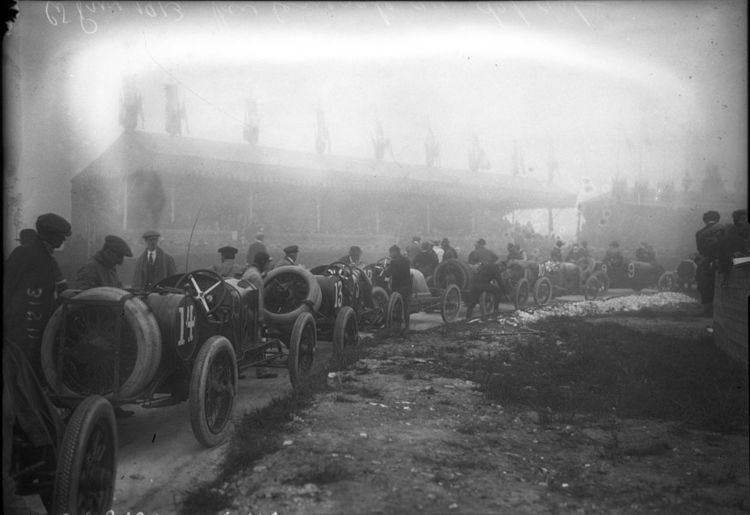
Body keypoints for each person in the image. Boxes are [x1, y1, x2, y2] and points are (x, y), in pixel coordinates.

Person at [3, 213, 71, 377]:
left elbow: (56, 287)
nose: (63, 240)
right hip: (19, 329)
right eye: (61, 236)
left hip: (36, 328)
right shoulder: (24, 253)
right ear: (49, 235)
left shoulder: (47, 258)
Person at [695, 210, 723, 315]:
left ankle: (708, 309)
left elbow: (700, 250)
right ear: (717, 218)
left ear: (705, 220)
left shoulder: (699, 233)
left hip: (706, 262)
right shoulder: (723, 228)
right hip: (720, 260)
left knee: (704, 284)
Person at [465, 254, 504, 320]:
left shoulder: (487, 265)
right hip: (482, 284)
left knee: (472, 302)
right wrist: (504, 291)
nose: (502, 270)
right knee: (498, 291)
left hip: (473, 283)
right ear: (501, 266)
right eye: (503, 269)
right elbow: (500, 282)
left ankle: (468, 317)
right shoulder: (496, 269)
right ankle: (496, 310)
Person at [384, 245, 412, 330]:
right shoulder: (407, 260)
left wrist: (386, 270)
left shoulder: (394, 262)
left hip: (398, 287)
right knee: (406, 306)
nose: (390, 254)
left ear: (395, 252)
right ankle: (407, 326)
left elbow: (389, 273)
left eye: (391, 252)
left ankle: (396, 325)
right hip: (407, 286)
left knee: (396, 306)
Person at [718, 208, 750, 283]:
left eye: (744, 219)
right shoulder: (731, 233)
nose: (743, 221)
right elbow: (727, 254)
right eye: (741, 219)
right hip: (738, 261)